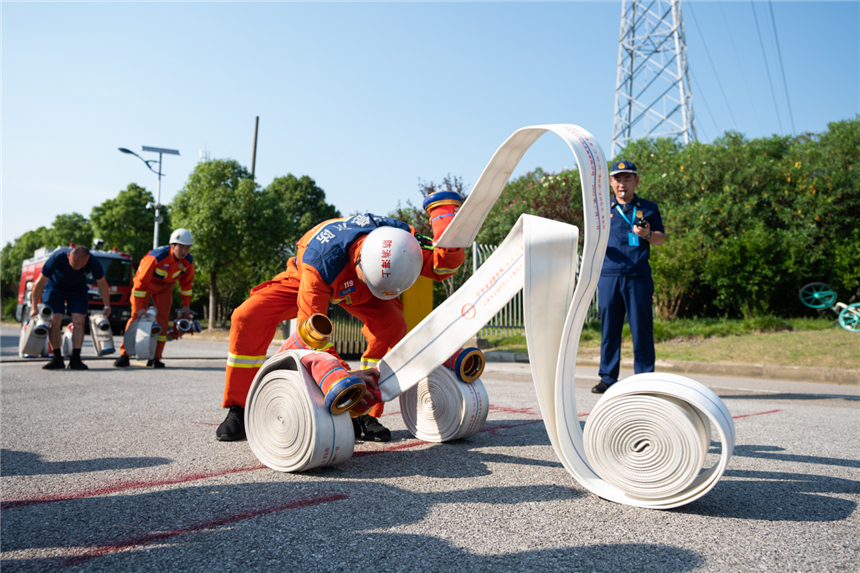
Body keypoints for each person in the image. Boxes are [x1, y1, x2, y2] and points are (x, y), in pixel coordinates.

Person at [217, 197, 465, 444]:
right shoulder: (320, 264)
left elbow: (440, 265)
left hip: (367, 288)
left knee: (392, 326)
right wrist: (347, 376)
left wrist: (444, 217)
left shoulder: (401, 240)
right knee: (247, 316)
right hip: (316, 276)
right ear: (359, 263)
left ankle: (363, 414)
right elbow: (311, 339)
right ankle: (239, 407)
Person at [593, 161, 666, 394]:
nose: (622, 183)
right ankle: (607, 377)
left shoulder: (649, 207)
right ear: (611, 182)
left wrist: (646, 234)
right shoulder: (602, 209)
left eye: (627, 178)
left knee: (641, 328)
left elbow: (660, 239)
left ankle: (644, 378)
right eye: (618, 179)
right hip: (609, 275)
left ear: (636, 181)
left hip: (638, 276)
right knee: (609, 329)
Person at [113, 229, 195, 369]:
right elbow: (140, 284)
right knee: (135, 318)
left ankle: (155, 357)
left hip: (165, 288)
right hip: (144, 287)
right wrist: (140, 308)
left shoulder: (188, 262)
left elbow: (186, 286)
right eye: (181, 247)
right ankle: (125, 355)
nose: (184, 251)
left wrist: (186, 307)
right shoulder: (156, 257)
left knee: (162, 320)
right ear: (172, 245)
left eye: (187, 248)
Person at [29, 246, 112, 370]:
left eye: (81, 265)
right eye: (74, 264)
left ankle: (75, 359)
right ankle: (57, 359)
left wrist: (107, 305)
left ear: (87, 259)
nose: (77, 268)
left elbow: (102, 284)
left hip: (77, 290)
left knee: (79, 320)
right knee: (55, 320)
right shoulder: (57, 257)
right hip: (55, 288)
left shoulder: (93, 262)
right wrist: (34, 306)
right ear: (68, 256)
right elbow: (40, 282)